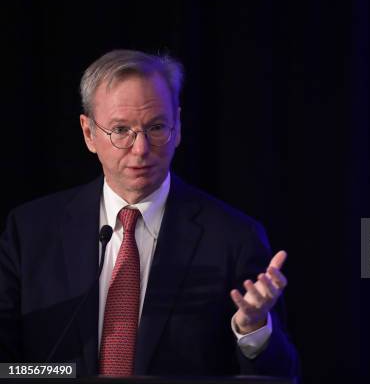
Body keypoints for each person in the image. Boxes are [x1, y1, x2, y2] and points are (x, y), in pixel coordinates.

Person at [0, 49, 299, 378]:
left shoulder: (234, 237)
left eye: (156, 127)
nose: (141, 149)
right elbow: (8, 368)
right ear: (89, 134)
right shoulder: (30, 232)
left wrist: (253, 330)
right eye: (121, 131)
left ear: (178, 127)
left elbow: (281, 376)